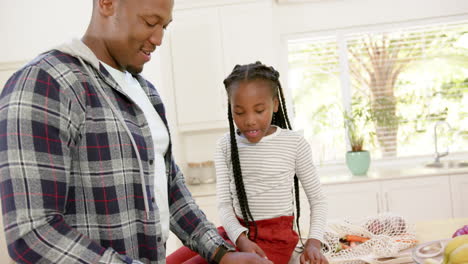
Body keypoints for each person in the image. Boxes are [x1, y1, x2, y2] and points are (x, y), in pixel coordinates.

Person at [0, 0, 272, 263]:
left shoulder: (146, 93)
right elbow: (33, 232)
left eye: (164, 26)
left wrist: (223, 254)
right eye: (150, 22)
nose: (158, 39)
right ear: (107, 3)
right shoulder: (46, 83)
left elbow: (171, 192)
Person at [167, 62, 329, 264]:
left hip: (274, 242)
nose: (250, 120)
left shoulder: (294, 143)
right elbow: (225, 205)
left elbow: (318, 200)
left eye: (259, 110)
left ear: (275, 104)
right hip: (235, 234)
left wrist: (314, 243)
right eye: (240, 112)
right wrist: (240, 239)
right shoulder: (226, 145)